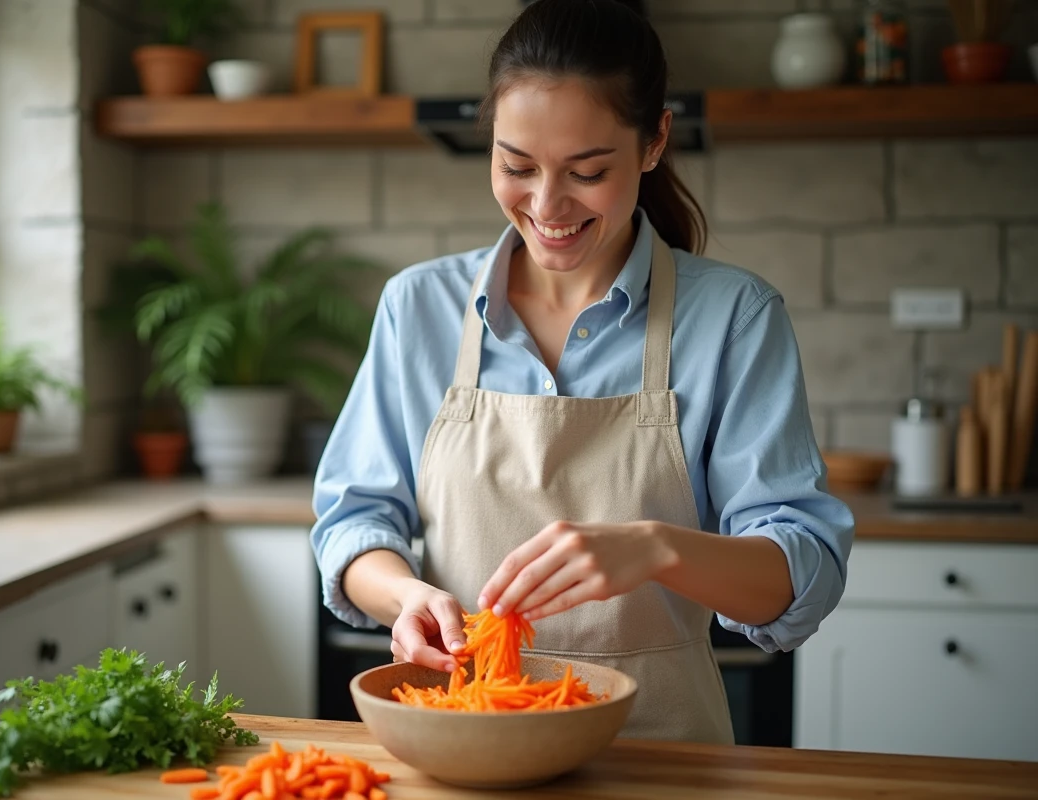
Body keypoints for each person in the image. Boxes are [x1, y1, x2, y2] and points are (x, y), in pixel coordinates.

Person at [310, 0, 854, 743]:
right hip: (468, 751)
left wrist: (657, 547)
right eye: (516, 166)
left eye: (587, 171)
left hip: (663, 759)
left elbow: (804, 572)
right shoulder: (420, 307)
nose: (546, 205)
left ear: (654, 141)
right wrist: (404, 596)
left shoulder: (734, 317)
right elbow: (353, 522)